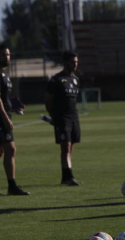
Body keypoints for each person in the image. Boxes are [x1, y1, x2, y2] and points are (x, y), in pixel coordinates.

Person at [45, 51, 82, 186]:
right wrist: (54, 116)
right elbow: (48, 101)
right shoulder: (56, 80)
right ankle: (69, 177)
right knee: (65, 147)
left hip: (74, 118)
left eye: (77, 62)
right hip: (62, 118)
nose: (75, 64)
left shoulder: (76, 79)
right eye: (73, 62)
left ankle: (65, 177)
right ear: (65, 62)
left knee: (70, 147)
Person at [0, 44, 29, 195]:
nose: (7, 57)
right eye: (4, 54)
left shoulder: (5, 73)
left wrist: (14, 107)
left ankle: (12, 186)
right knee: (11, 149)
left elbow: (5, 99)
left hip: (5, 115)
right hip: (1, 118)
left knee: (1, 152)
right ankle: (12, 186)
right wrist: (5, 118)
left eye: (8, 54)